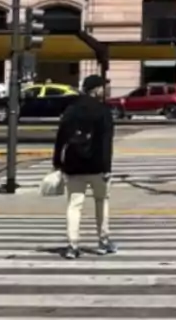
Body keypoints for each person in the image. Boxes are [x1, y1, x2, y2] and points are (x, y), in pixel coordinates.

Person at [53, 75, 117, 259]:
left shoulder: (71, 110)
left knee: (74, 205)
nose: (105, 91)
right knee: (101, 201)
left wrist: (58, 162)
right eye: (103, 87)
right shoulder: (103, 111)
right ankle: (103, 241)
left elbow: (61, 138)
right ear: (95, 89)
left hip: (73, 164)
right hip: (97, 165)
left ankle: (72, 245)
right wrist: (107, 168)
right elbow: (106, 142)